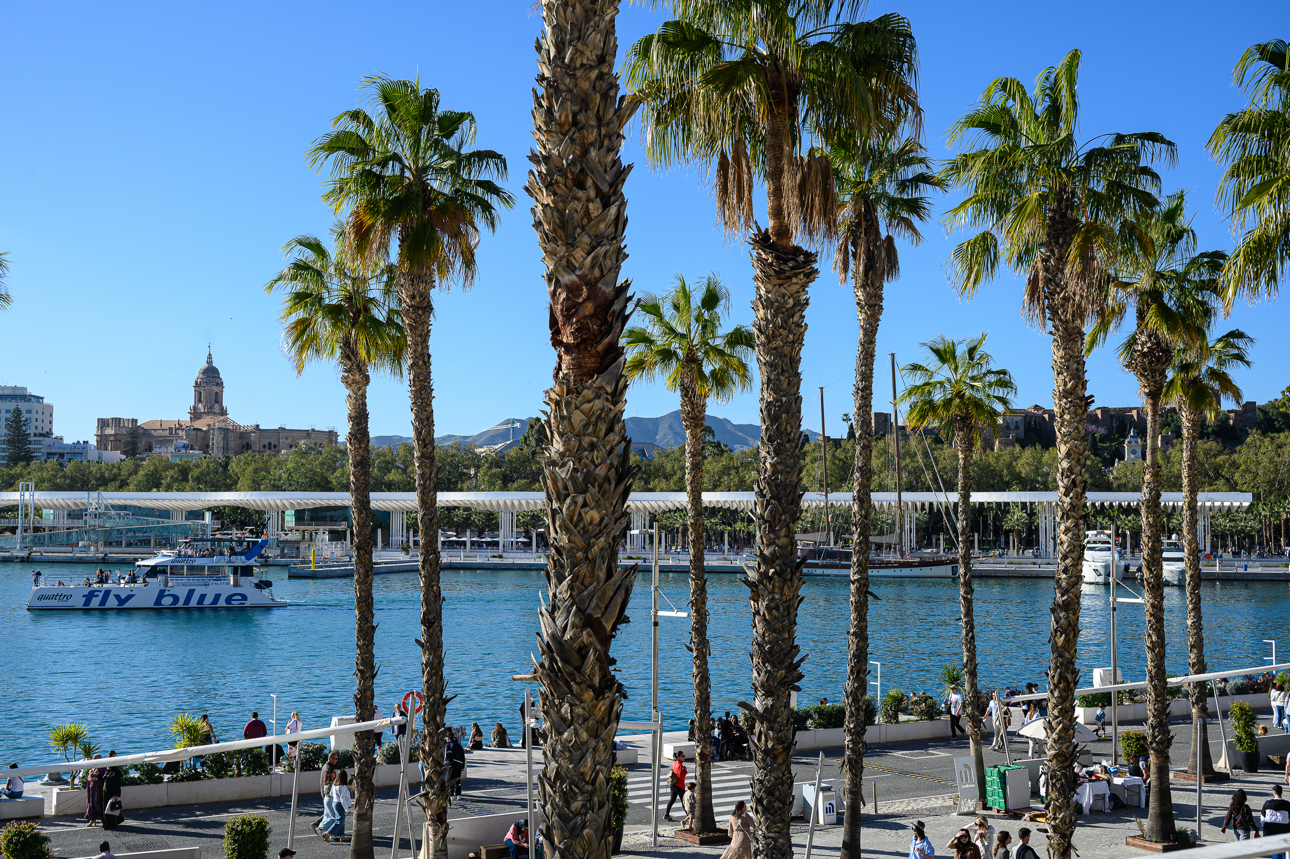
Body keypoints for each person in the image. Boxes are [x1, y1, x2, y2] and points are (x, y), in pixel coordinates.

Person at [319, 769, 352, 843]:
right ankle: (328, 833)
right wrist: (347, 809)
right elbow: (343, 799)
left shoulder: (334, 784)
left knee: (341, 821)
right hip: (340, 804)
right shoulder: (342, 787)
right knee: (339, 821)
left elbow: (330, 793)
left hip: (334, 803)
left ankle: (342, 836)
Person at [312, 751, 341, 832]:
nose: (337, 760)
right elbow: (331, 781)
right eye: (336, 759)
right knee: (332, 813)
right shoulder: (329, 768)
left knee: (328, 811)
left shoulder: (326, 766)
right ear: (331, 759)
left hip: (325, 790)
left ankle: (318, 824)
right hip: (328, 792)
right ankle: (326, 829)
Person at [1262, 784, 1290, 858]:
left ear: (1274, 793)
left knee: (1275, 851)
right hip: (1284, 831)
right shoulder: (1287, 805)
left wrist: (1264, 828)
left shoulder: (1267, 804)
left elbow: (1262, 819)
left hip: (1271, 831)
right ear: (1281, 792)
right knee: (1284, 851)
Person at [664, 750, 687, 822]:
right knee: (684, 801)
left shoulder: (674, 763)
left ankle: (666, 814)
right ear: (678, 757)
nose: (684, 757)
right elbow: (681, 776)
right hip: (679, 786)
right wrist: (685, 771)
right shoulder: (680, 766)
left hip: (673, 784)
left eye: (684, 756)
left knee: (672, 800)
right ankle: (690, 816)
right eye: (682, 756)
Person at [85, 755, 106, 827]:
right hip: (91, 788)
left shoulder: (103, 767)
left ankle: (103, 819)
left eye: (95, 759)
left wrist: (95, 779)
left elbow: (103, 778)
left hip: (98, 788)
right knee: (90, 804)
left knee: (98, 803)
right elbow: (90, 776)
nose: (93, 760)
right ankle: (92, 820)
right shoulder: (93, 767)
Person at [446, 730, 467, 799]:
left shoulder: (449, 745)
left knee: (451, 779)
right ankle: (458, 794)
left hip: (452, 764)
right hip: (459, 764)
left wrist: (446, 764)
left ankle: (451, 795)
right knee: (458, 779)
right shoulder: (458, 744)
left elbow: (448, 756)